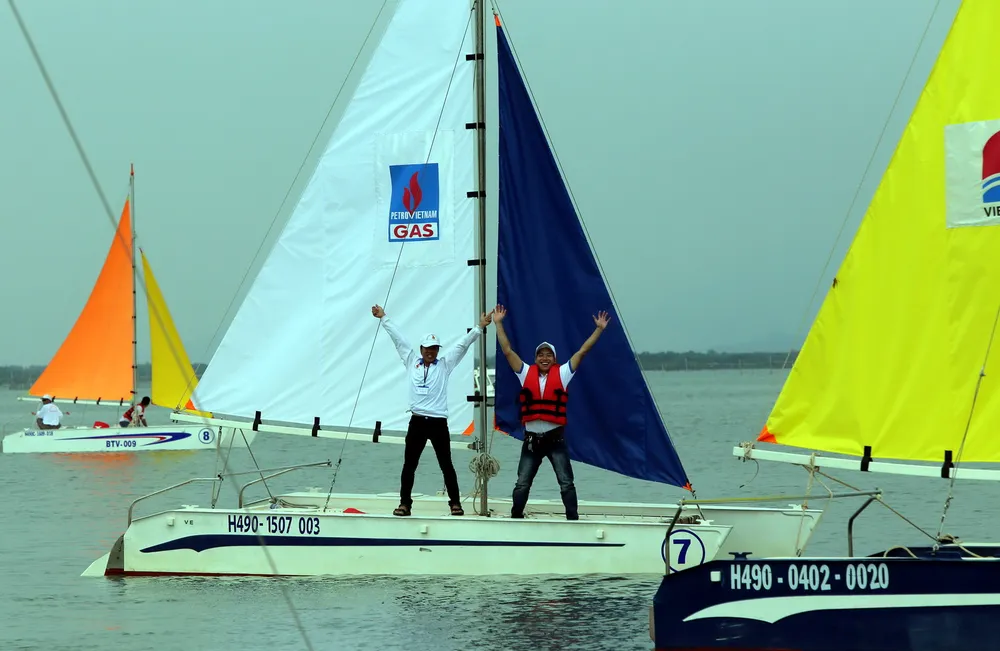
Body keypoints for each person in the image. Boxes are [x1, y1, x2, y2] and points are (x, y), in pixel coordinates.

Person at [372, 303, 493, 516]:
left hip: (438, 423)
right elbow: (398, 339)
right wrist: (384, 318)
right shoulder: (411, 361)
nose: (430, 351)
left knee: (446, 464)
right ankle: (405, 504)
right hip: (417, 421)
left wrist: (480, 327)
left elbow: (462, 345)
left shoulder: (445, 365)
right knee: (409, 465)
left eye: (434, 348)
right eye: (427, 348)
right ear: (421, 349)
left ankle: (455, 503)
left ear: (438, 350)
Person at [492, 304, 610, 521]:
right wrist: (498, 323)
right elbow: (507, 351)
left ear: (554, 359)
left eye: (548, 355)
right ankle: (516, 517)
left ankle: (572, 519)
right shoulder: (525, 373)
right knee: (522, 483)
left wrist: (599, 329)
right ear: (535, 358)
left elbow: (582, 351)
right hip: (531, 441)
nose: (544, 358)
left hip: (555, 440)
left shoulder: (563, 374)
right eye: (541, 355)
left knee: (566, 482)